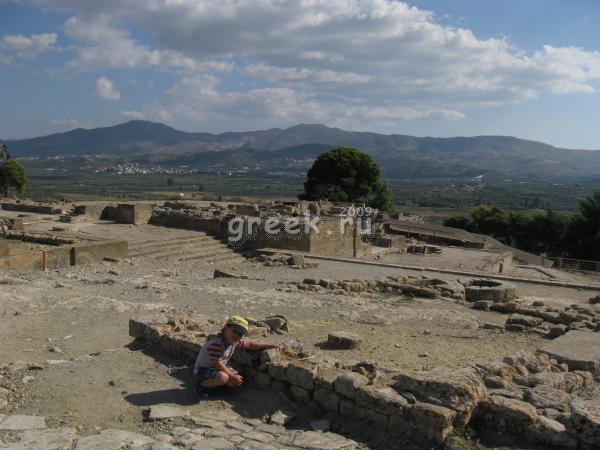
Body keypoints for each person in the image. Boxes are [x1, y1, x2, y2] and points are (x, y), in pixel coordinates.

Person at [193, 315, 282, 399]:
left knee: (234, 381)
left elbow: (248, 344)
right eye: (235, 331)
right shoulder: (217, 343)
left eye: (240, 334)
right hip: (203, 369)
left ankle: (215, 386)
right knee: (223, 377)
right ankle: (201, 384)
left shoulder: (233, 342)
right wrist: (232, 376)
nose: (237, 335)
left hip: (215, 369)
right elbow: (216, 363)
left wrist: (269, 345)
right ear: (226, 327)